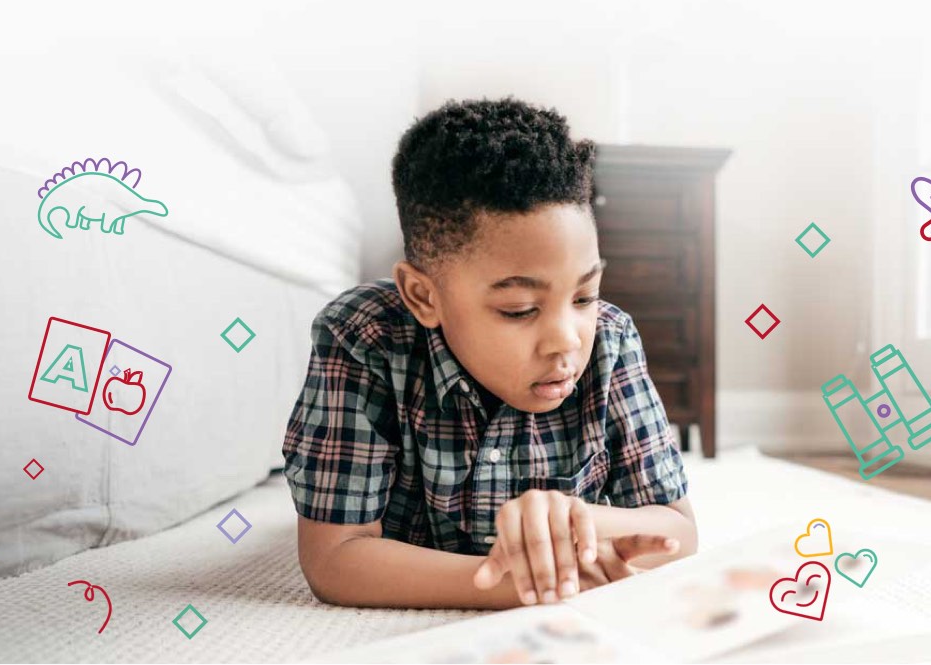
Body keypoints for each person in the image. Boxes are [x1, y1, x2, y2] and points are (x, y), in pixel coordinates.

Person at [282, 97, 697, 609]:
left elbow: (679, 530)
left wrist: (577, 522)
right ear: (423, 297)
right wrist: (532, 581)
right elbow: (335, 560)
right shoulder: (364, 337)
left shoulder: (611, 339)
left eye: (584, 296)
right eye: (520, 309)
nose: (567, 339)